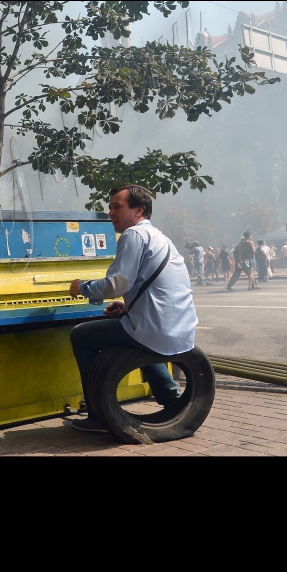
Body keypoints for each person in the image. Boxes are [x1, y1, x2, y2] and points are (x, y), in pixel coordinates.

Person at [68, 184, 195, 433]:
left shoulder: (133, 235)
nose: (111, 213)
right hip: (180, 328)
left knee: (80, 335)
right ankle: (171, 399)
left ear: (139, 210)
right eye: (110, 207)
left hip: (153, 329)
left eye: (117, 207)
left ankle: (97, 415)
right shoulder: (160, 237)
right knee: (135, 333)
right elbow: (156, 288)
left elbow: (117, 284)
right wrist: (128, 307)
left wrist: (81, 287)